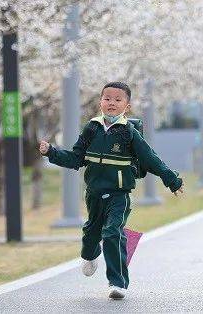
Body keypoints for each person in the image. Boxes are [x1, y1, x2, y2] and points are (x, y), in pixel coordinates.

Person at [39, 81, 184, 301]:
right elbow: (75, 159)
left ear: (127, 106)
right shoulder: (92, 128)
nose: (112, 103)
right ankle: (90, 254)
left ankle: (118, 283)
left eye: (118, 100)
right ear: (100, 102)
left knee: (112, 233)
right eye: (107, 99)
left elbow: (151, 159)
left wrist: (172, 180)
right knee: (90, 236)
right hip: (94, 195)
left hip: (119, 195)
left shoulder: (129, 133)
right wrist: (51, 152)